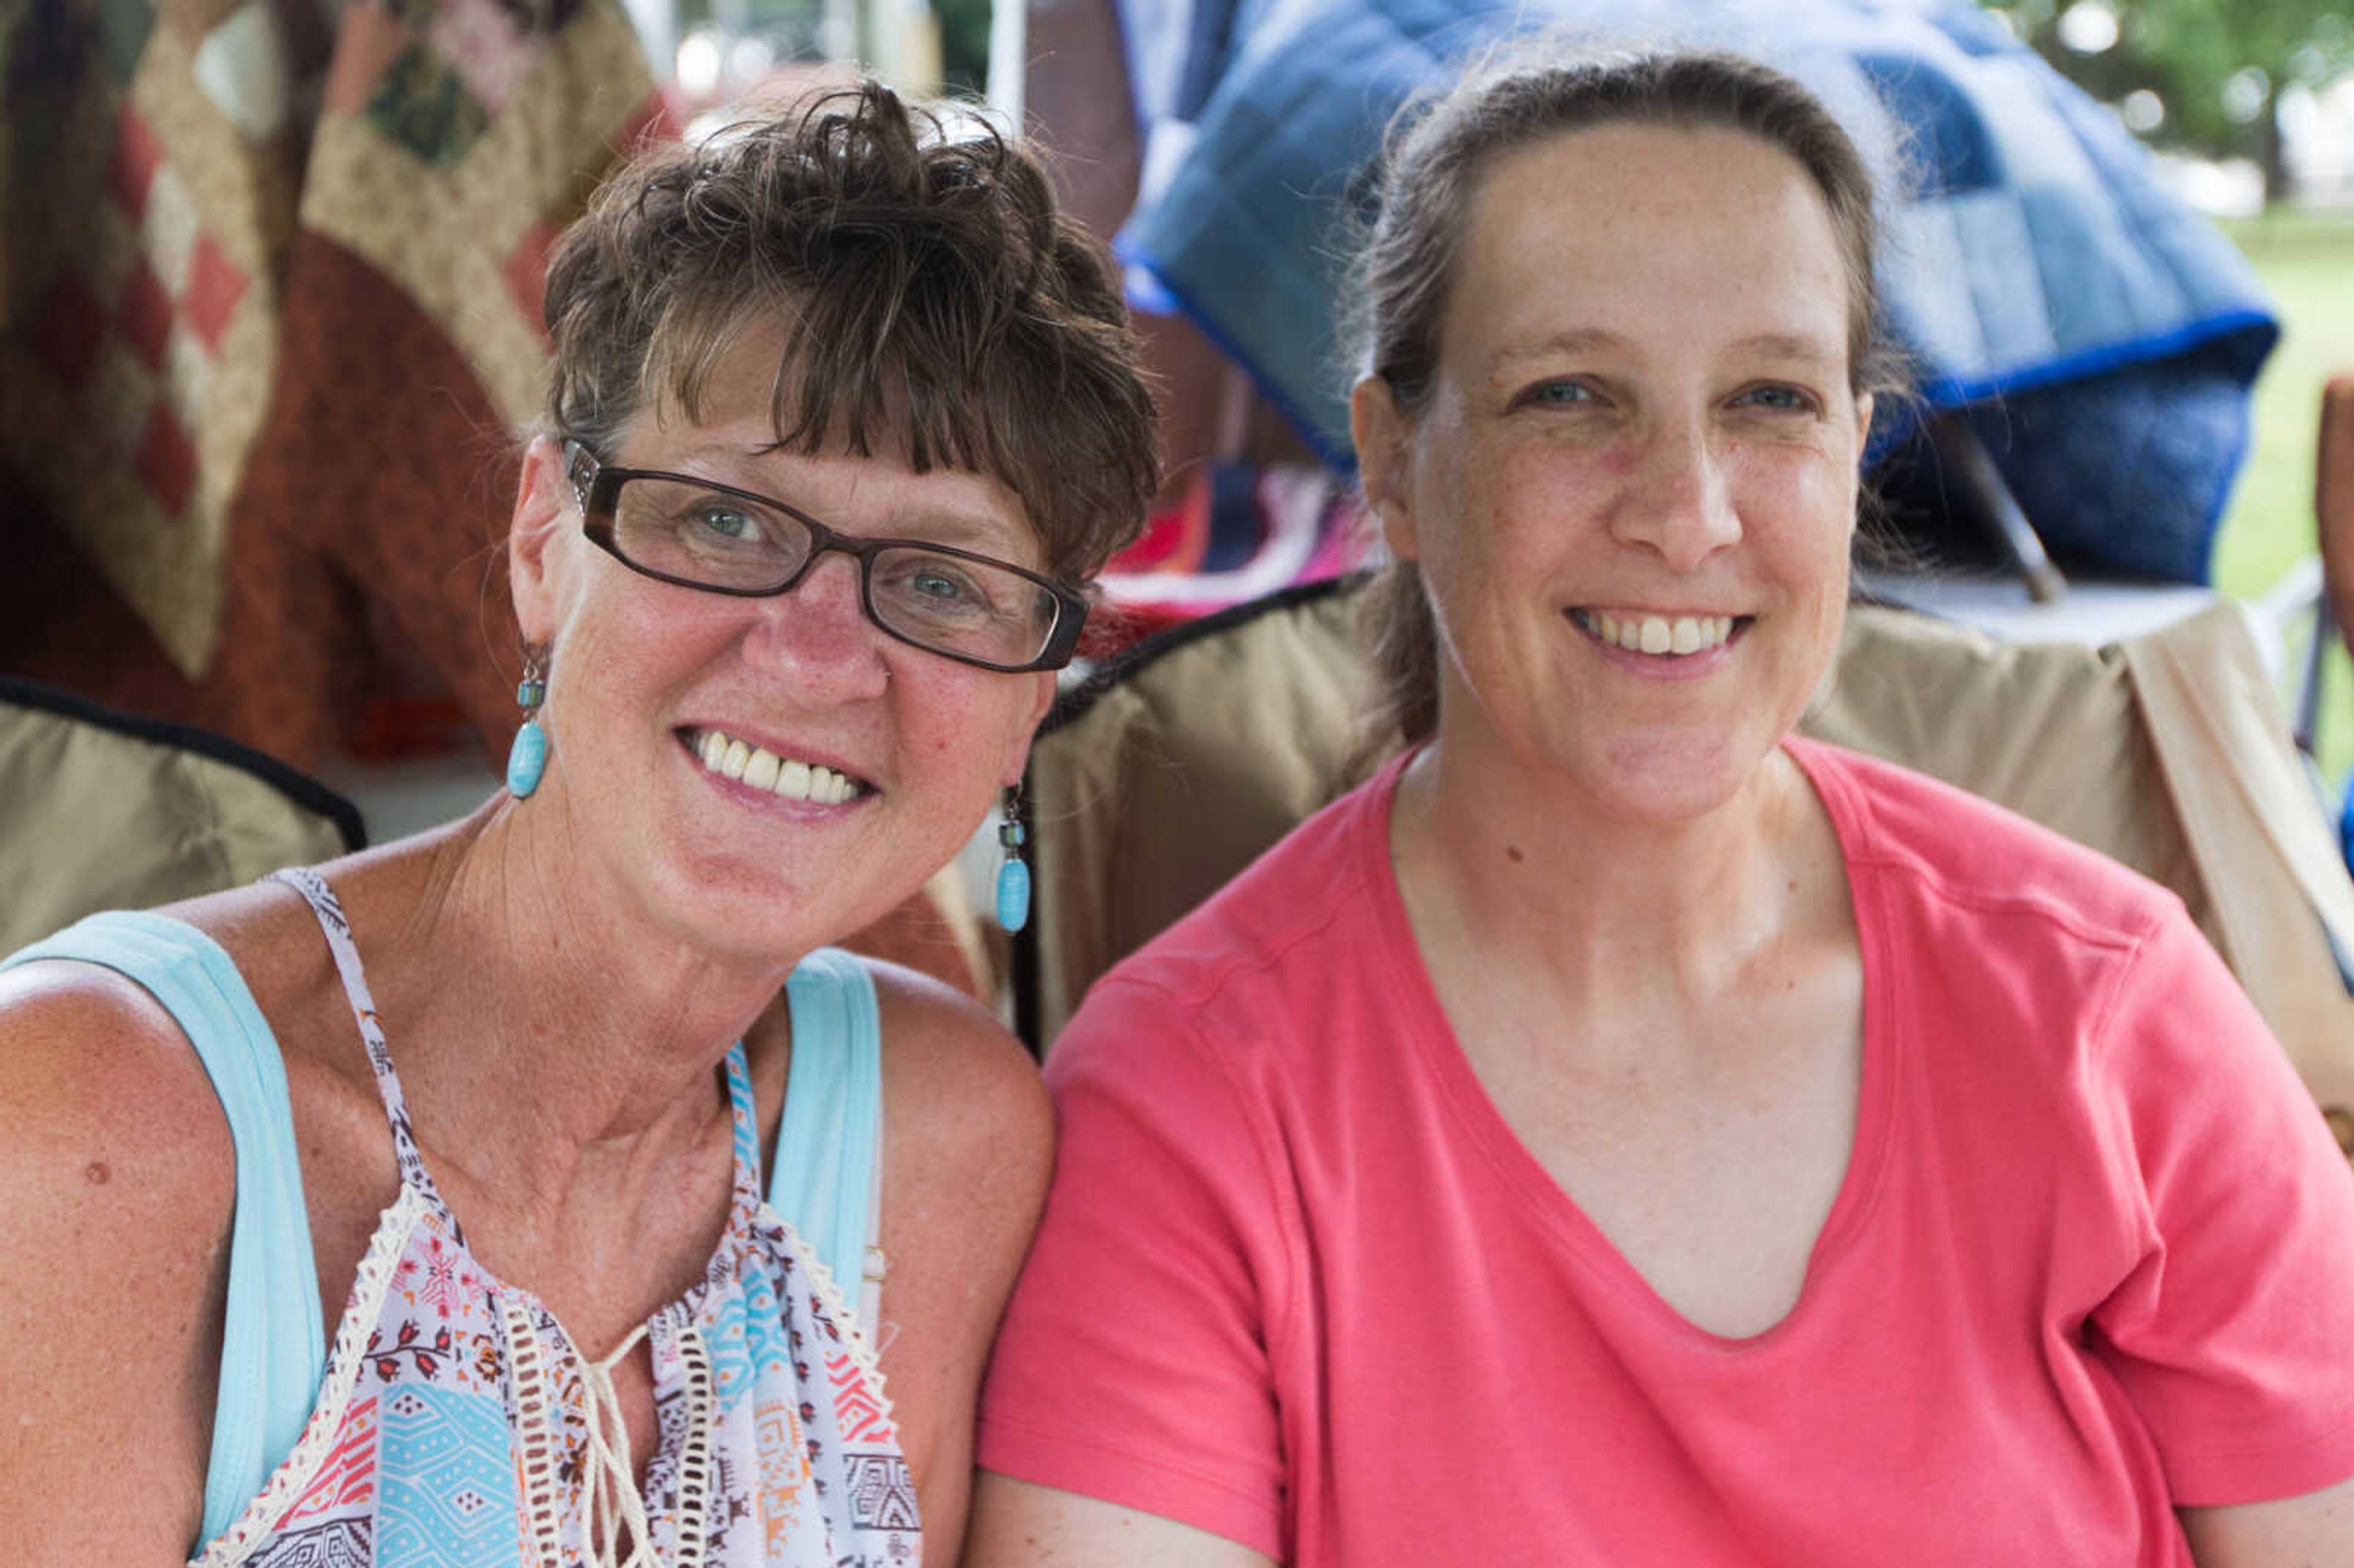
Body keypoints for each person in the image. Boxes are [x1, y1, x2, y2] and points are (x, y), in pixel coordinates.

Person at [966, 46, 2354, 1567]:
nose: (1687, 512)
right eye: (1570, 396)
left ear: (1853, 447)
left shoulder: (2110, 1011)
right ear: (1398, 468)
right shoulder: (1193, 1103)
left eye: (1770, 399)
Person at [0, 82, 1154, 1566]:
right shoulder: (85, 1122)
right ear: (545, 540)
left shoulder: (940, 1140)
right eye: (728, 520)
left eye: (941, 581)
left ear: (1032, 696)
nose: (812, 656)